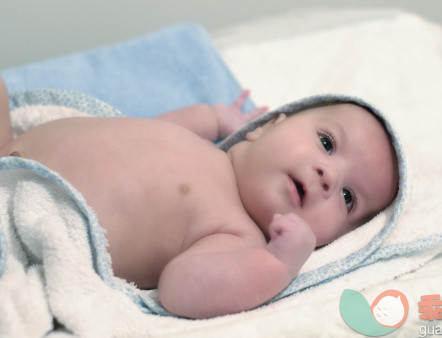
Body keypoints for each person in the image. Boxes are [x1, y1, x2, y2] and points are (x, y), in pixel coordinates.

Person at [0, 76, 398, 319]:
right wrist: (216, 116)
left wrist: (276, 263)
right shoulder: (202, 145)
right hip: (11, 148)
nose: (329, 176)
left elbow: (179, 289)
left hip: (20, 219)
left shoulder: (236, 236)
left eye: (348, 198)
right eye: (326, 142)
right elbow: (143, 129)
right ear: (266, 126)